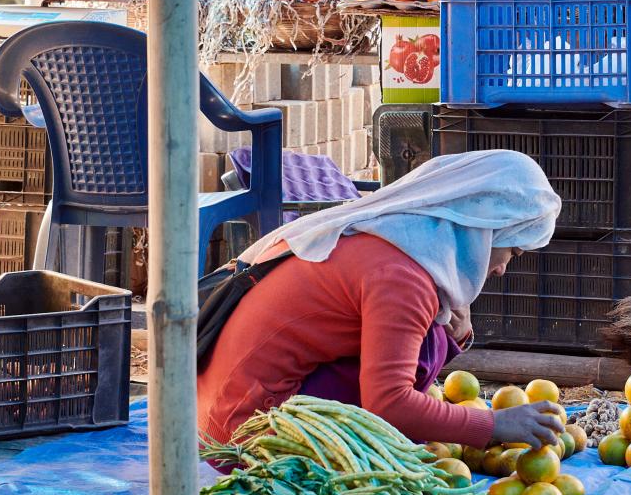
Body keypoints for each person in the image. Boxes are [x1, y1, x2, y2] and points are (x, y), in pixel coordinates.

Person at [197, 150, 565, 452]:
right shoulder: (403, 277)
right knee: (427, 347)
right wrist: (493, 424)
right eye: (512, 252)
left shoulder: (394, 235)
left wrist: (453, 329)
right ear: (486, 227)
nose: (501, 269)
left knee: (434, 336)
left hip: (217, 410)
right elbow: (390, 405)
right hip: (246, 437)